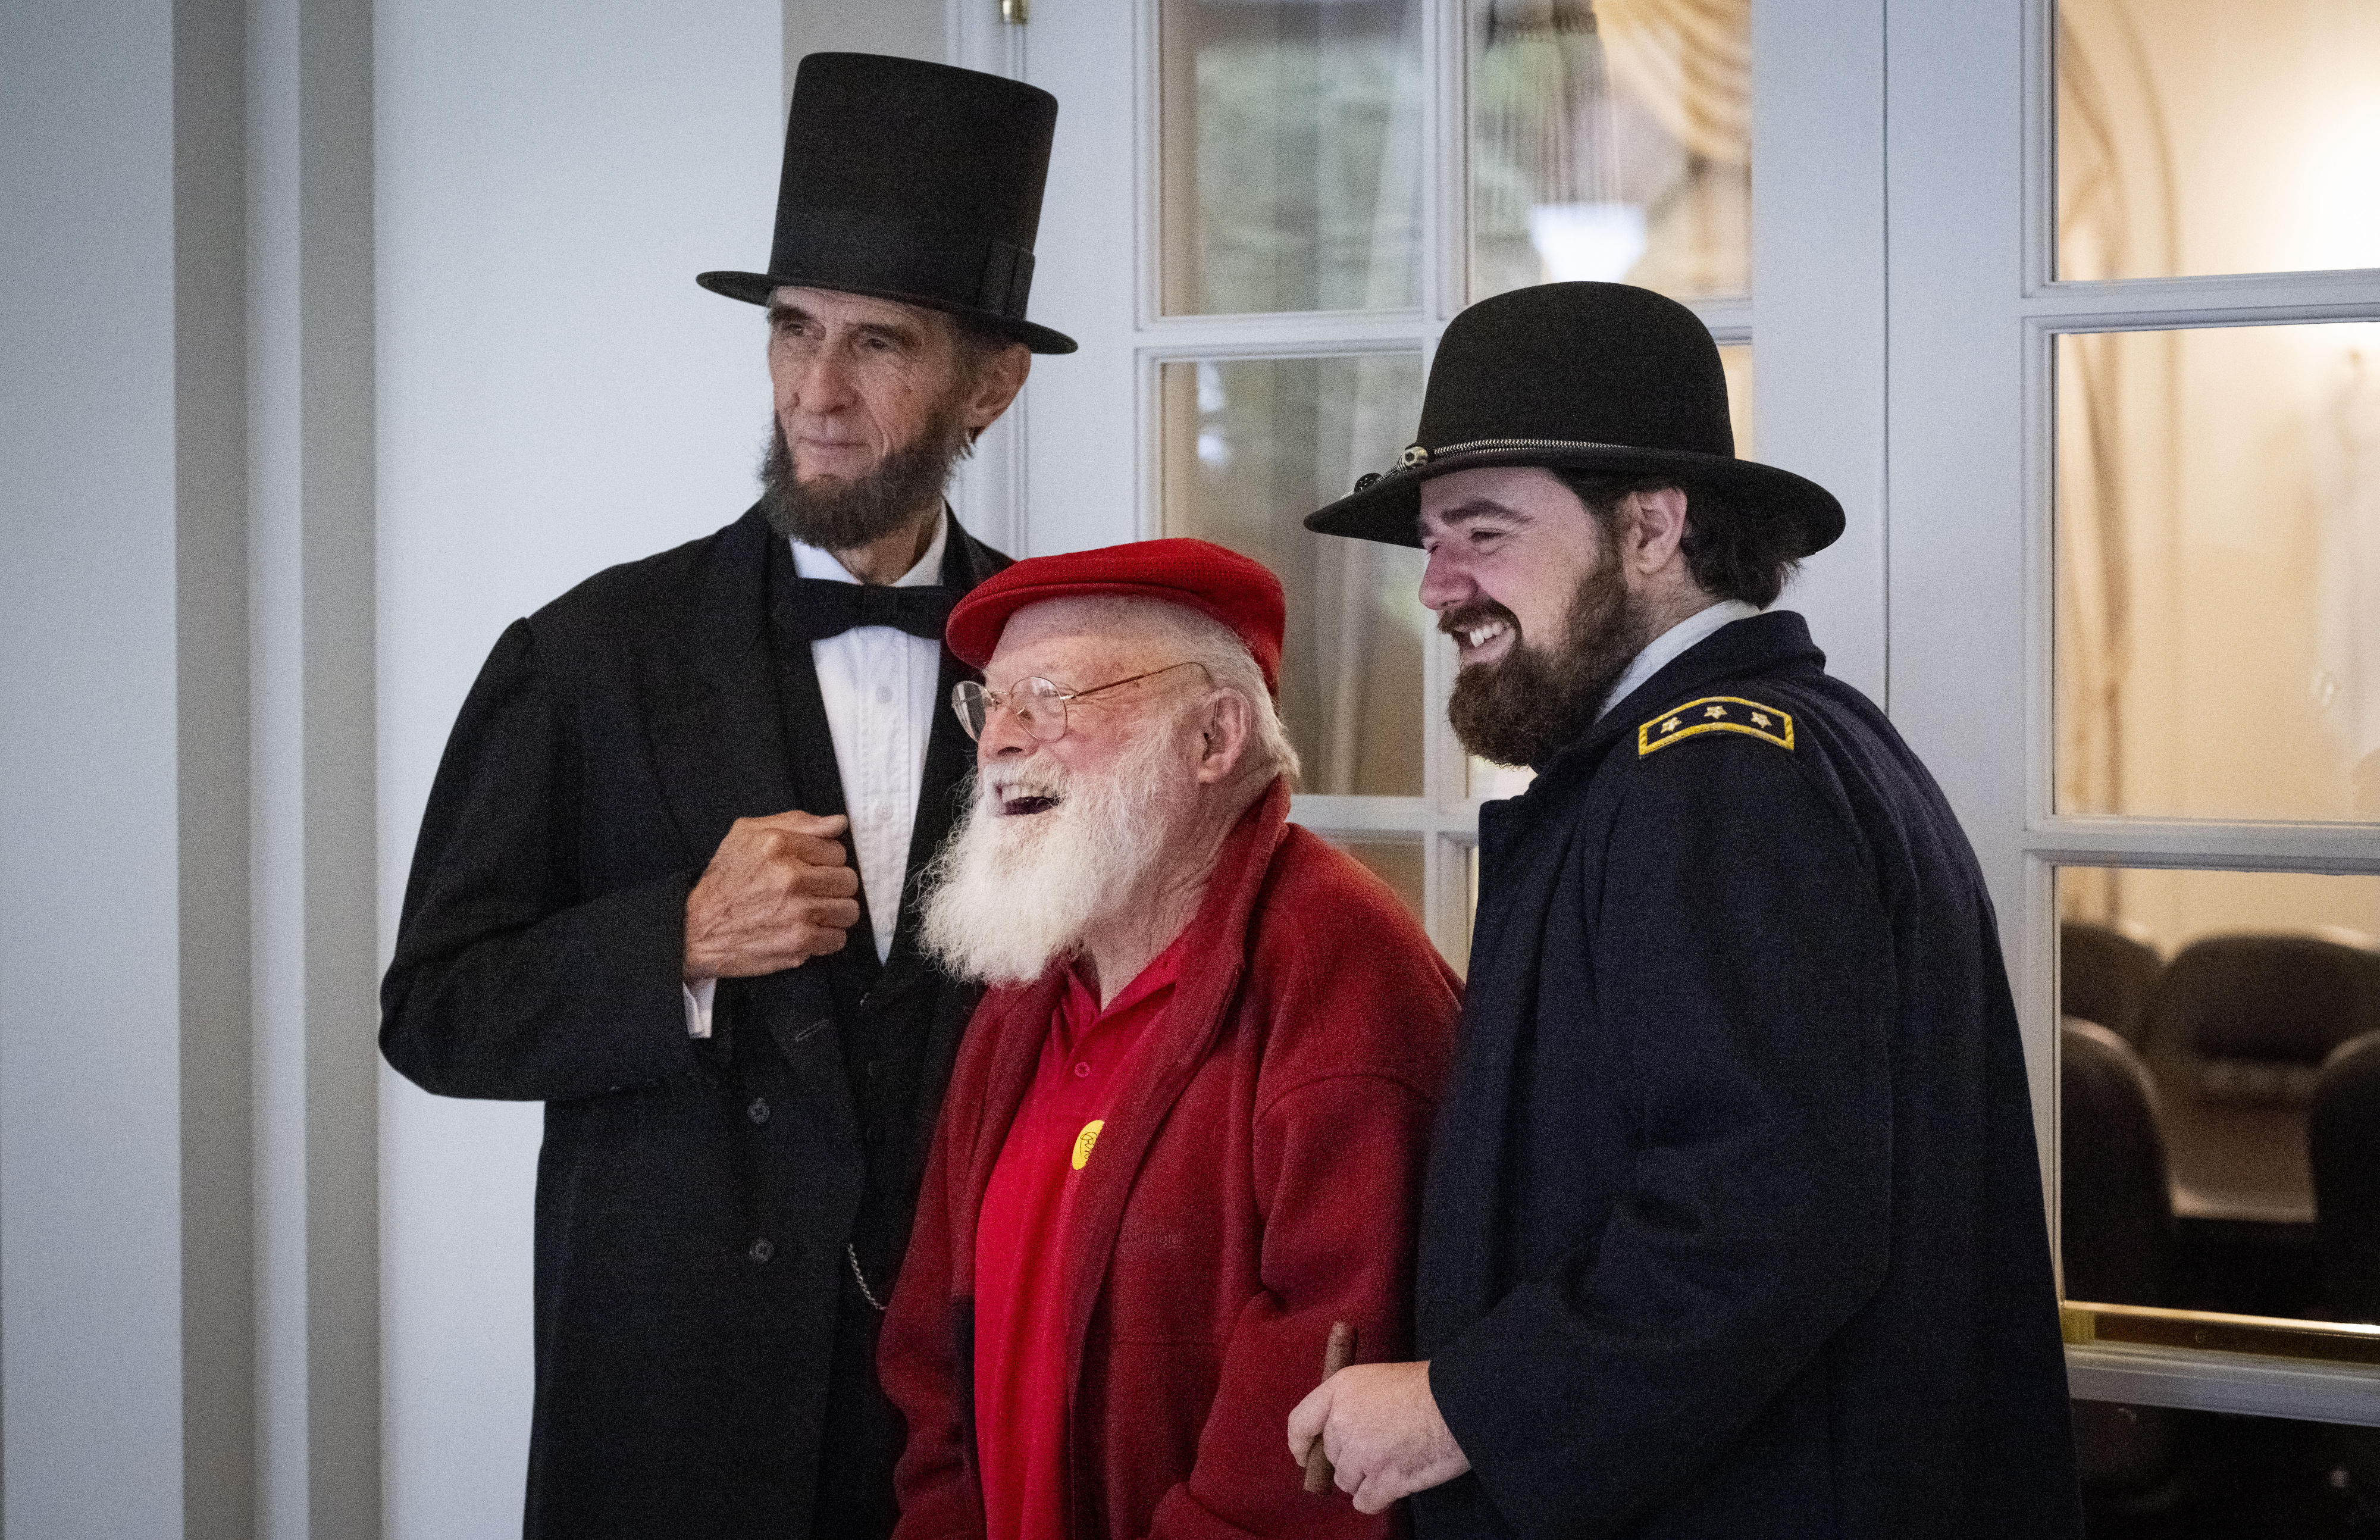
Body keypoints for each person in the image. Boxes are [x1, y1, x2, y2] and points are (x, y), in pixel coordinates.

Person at [378, 54, 1075, 1540]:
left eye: (876, 345)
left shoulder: (1069, 660)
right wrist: (676, 940)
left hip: (965, 1396)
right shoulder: (583, 655)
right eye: (790, 332)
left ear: (991, 383)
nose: (816, 396)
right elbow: (432, 1009)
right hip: (675, 1403)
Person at [1286, 282, 2081, 1539]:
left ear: (1652, 529)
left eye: (1481, 532)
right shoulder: (1761, 747)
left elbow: (1758, 1216)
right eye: (1431, 540)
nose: (1436, 587)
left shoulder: (1714, 777)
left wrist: (1461, 1407)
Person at [878, 540, 1461, 1540]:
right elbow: (930, 1359)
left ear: (1214, 738)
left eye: (1051, 698)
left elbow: (1316, 1419)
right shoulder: (1026, 992)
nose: (999, 743)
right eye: (991, 703)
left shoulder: (1339, 968)